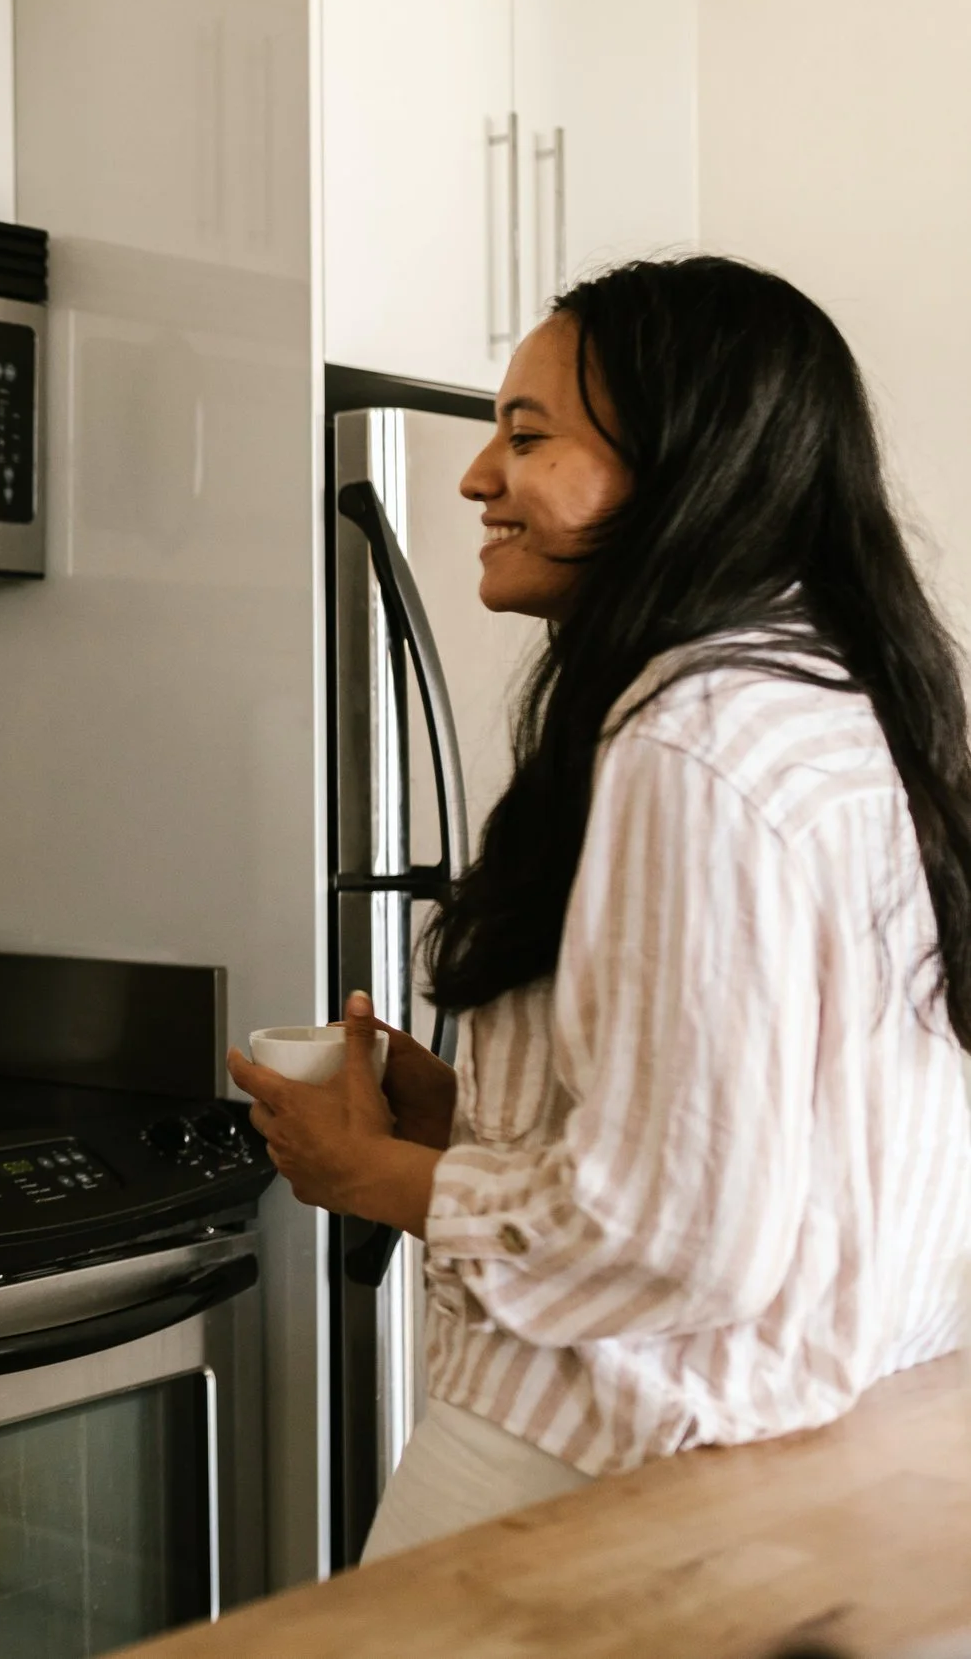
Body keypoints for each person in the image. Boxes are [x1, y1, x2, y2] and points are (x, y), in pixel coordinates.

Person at [231, 257, 971, 1558]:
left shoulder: (689, 743)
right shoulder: (819, 694)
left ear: (684, 464)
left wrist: (373, 1172)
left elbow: (685, 1233)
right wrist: (468, 1116)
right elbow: (754, 1138)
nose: (475, 477)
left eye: (529, 437)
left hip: (605, 1445)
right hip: (798, 1451)